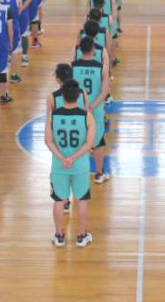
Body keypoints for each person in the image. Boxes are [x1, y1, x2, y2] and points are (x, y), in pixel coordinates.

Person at [46, 79, 95, 248]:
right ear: (78, 96)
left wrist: (62, 158)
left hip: (59, 166)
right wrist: (73, 158)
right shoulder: (86, 116)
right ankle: (81, 236)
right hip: (80, 166)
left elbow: (48, 141)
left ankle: (59, 236)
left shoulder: (53, 116)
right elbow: (89, 144)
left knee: (59, 200)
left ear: (63, 96)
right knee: (82, 200)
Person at [73, 36, 110, 184]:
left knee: (78, 141)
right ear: (94, 49)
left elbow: (69, 90)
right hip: (95, 110)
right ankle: (99, 174)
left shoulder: (73, 67)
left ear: (80, 49)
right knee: (98, 141)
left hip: (78, 109)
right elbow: (105, 92)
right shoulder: (101, 68)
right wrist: (92, 107)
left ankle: (76, 173)